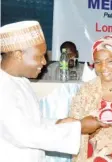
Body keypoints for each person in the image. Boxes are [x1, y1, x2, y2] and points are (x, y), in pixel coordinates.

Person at [0, 21, 102, 162]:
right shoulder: (3, 87)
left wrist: (59, 122)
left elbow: (32, 123)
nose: (44, 62)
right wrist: (79, 127)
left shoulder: (20, 81)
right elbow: (27, 134)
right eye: (39, 56)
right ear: (18, 55)